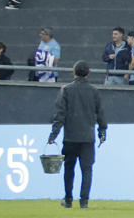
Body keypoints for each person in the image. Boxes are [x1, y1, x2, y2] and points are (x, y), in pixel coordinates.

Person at [48, 60, 107, 209]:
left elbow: (60, 115)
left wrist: (53, 135)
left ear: (74, 72)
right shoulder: (94, 91)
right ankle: (84, 201)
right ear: (88, 73)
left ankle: (68, 199)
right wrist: (102, 131)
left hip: (70, 137)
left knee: (69, 168)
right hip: (87, 137)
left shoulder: (66, 90)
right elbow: (100, 113)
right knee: (87, 170)